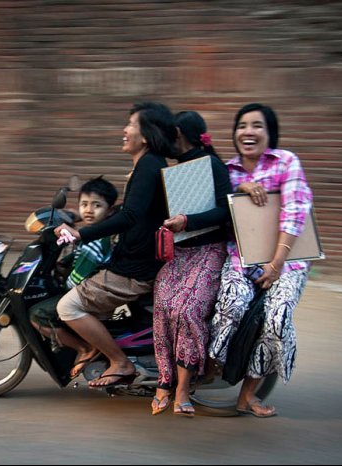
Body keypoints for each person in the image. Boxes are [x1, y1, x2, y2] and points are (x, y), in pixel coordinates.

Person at [53, 101, 175, 388]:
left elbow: (131, 216)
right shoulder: (148, 165)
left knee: (67, 307)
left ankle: (119, 362)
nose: (124, 130)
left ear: (145, 134)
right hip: (133, 260)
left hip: (135, 269)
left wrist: (82, 233)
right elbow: (131, 212)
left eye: (130, 124)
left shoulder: (148, 164)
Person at [207, 103, 313, 418]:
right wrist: (238, 185)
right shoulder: (227, 170)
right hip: (241, 259)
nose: (248, 132)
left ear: (270, 133)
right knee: (231, 305)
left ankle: (247, 396)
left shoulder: (286, 162)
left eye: (257, 126)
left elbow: (295, 213)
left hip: (287, 262)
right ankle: (208, 372)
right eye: (242, 125)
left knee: (277, 318)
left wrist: (276, 264)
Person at [151, 111, 233, 417]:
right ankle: (163, 380)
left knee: (187, 309)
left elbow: (226, 209)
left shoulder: (211, 165)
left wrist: (188, 220)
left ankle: (183, 389)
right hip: (181, 253)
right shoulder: (174, 170)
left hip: (210, 250)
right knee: (162, 305)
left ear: (179, 133)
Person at [29, 176, 118, 378]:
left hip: (87, 293)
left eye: (97, 205)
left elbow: (77, 278)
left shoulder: (95, 240)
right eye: (84, 204)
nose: (89, 210)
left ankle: (84, 348)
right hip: (92, 288)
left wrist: (62, 287)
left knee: (38, 314)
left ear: (110, 210)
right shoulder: (92, 233)